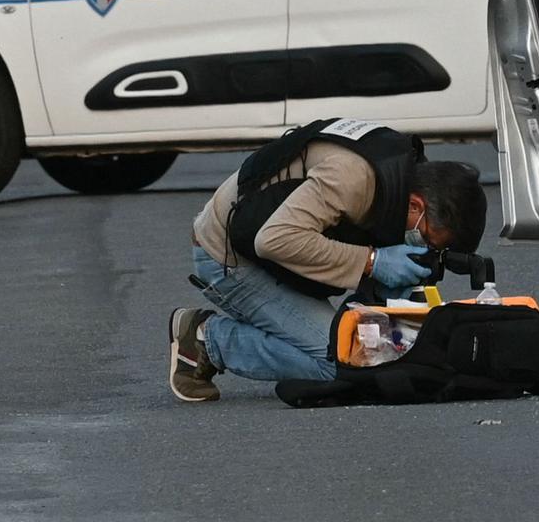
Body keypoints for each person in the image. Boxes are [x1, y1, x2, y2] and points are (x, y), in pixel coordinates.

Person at [169, 118, 488, 402]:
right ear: (417, 206)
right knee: (339, 361)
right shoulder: (353, 177)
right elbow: (275, 239)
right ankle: (206, 339)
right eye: (429, 240)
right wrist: (374, 261)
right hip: (228, 256)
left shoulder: (404, 173)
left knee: (366, 348)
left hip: (271, 246)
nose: (425, 248)